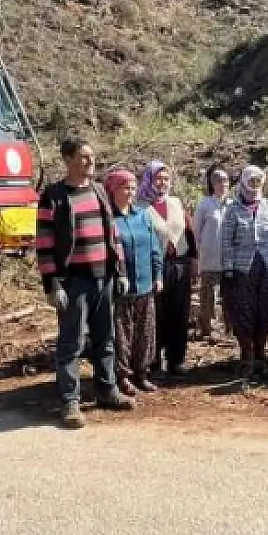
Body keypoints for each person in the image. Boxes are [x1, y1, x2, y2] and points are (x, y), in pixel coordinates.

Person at [35, 135, 136, 429]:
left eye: (92, 157)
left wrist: (121, 271)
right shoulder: (53, 196)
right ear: (68, 160)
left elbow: (112, 234)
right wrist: (53, 283)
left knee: (106, 338)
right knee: (72, 342)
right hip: (74, 282)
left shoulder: (100, 191)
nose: (91, 162)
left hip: (102, 278)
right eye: (84, 157)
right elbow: (44, 243)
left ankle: (108, 390)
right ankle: (69, 401)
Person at [220, 164, 268, 376]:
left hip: (267, 266)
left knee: (265, 309)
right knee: (244, 311)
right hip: (242, 269)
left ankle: (261, 353)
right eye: (251, 181)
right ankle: (247, 355)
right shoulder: (232, 209)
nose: (254, 186)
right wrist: (228, 268)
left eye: (258, 182)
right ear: (243, 182)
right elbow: (226, 241)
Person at [108, 166, 165, 396]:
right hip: (122, 287)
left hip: (145, 284)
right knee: (122, 334)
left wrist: (158, 275)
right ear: (113, 190)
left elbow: (154, 248)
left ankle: (142, 372)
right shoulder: (108, 218)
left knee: (146, 331)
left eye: (132, 188)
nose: (130, 192)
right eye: (125, 188)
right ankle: (122, 376)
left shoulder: (142, 215)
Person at [139, 160, 195, 377]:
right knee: (156, 314)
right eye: (158, 178)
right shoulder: (141, 207)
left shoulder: (176, 203)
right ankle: (154, 362)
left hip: (180, 265)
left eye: (166, 179)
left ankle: (176, 360)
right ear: (149, 180)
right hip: (155, 266)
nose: (162, 183)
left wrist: (194, 258)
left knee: (180, 313)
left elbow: (189, 232)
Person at [193, 166, 232, 342]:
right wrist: (198, 256)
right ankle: (206, 329)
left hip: (230, 261)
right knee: (209, 297)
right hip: (210, 260)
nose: (222, 184)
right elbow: (196, 232)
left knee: (230, 296)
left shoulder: (233, 205)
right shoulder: (205, 204)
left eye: (225, 180)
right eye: (218, 181)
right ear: (212, 183)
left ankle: (230, 329)